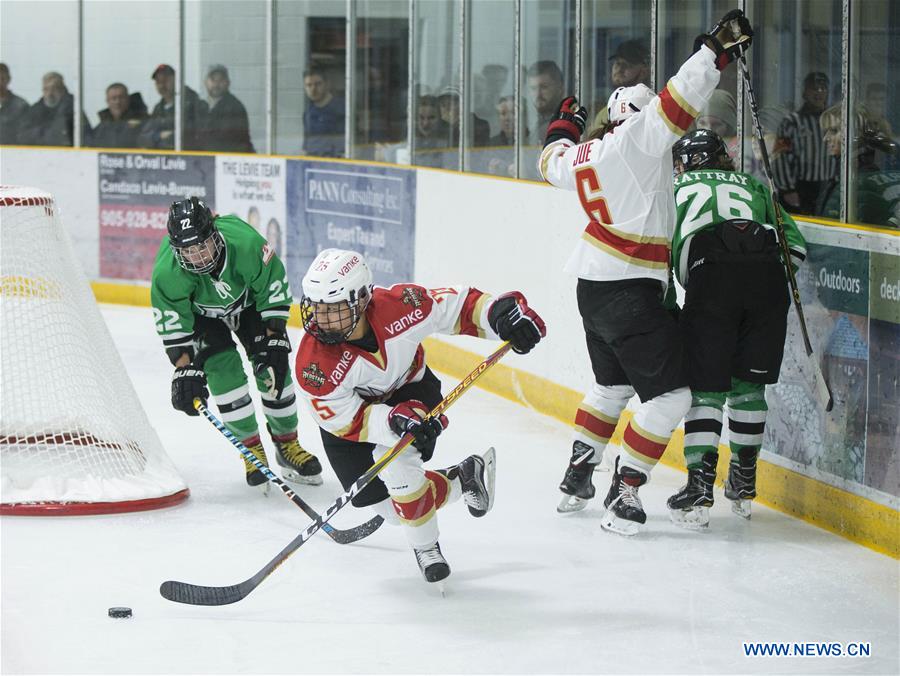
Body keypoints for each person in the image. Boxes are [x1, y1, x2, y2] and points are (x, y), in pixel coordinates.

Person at [542, 10, 753, 535]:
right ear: (638, 118)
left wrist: (565, 122)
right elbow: (680, 97)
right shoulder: (638, 139)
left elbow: (550, 160)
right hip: (629, 290)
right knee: (672, 397)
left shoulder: (588, 153)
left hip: (592, 287)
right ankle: (625, 491)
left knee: (611, 387)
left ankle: (575, 478)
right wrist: (714, 52)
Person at [294, 248, 546, 584]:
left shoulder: (400, 305)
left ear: (362, 299)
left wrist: (499, 316)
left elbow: (457, 306)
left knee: (398, 465)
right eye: (316, 307)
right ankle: (462, 478)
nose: (320, 319)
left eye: (333, 308)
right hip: (356, 420)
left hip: (411, 391)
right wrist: (390, 421)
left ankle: (427, 549)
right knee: (391, 511)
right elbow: (344, 420)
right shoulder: (312, 365)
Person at [666, 128, 807, 527]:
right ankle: (743, 482)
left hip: (710, 285)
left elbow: (659, 252)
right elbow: (795, 246)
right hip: (767, 287)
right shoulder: (754, 185)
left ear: (687, 163)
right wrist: (761, 282)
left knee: (706, 390)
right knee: (748, 389)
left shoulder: (674, 189)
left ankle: (699, 485)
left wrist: (673, 302)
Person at [150, 197, 323, 489]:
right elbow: (174, 324)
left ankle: (287, 445)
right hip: (203, 318)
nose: (197, 257)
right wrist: (184, 370)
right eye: (187, 251)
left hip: (250, 306)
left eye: (201, 246)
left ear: (215, 235)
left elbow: (272, 288)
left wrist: (274, 341)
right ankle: (251, 450)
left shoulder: (245, 243)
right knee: (223, 374)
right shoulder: (167, 273)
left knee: (273, 370)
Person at [817, 103, 900, 227]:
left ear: (856, 135)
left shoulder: (858, 182)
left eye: (834, 131)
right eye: (826, 131)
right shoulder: (864, 175)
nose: (825, 138)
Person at [771, 72, 836, 215]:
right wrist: (787, 189)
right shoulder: (791, 122)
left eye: (823, 88)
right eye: (814, 88)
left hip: (828, 187)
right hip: (800, 189)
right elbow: (780, 157)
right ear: (805, 92)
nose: (819, 92)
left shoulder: (833, 120)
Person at [139, 64, 207, 150]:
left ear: (176, 81)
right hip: (163, 156)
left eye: (165, 80)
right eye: (158, 82)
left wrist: (163, 136)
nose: (161, 85)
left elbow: (189, 135)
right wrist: (159, 136)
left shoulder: (194, 104)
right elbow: (143, 138)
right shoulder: (158, 108)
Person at [588, 39, 650, 132]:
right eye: (617, 63)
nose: (620, 69)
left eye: (628, 65)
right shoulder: (604, 113)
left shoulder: (648, 109)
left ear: (643, 72)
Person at [19, 72, 91, 147]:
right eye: (46, 89)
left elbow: (86, 136)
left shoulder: (74, 109)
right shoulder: (35, 110)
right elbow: (22, 136)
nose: (50, 94)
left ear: (62, 90)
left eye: (54, 89)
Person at [197, 64, 254, 153]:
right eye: (213, 80)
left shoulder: (235, 107)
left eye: (221, 80)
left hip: (231, 157)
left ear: (228, 82)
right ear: (205, 82)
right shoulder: (201, 106)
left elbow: (226, 140)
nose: (216, 84)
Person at [89, 83, 148, 149]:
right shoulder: (101, 128)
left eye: (121, 98)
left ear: (128, 99)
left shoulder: (144, 122)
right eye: (113, 98)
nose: (117, 102)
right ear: (107, 101)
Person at [303, 65, 344, 158]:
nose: (313, 89)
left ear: (327, 84)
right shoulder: (308, 112)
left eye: (318, 84)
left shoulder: (341, 109)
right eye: (309, 85)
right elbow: (306, 144)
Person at [0, 63, 30, 145]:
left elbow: (26, 136)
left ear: (8, 79)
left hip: (11, 151)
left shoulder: (21, 106)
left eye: (2, 79)